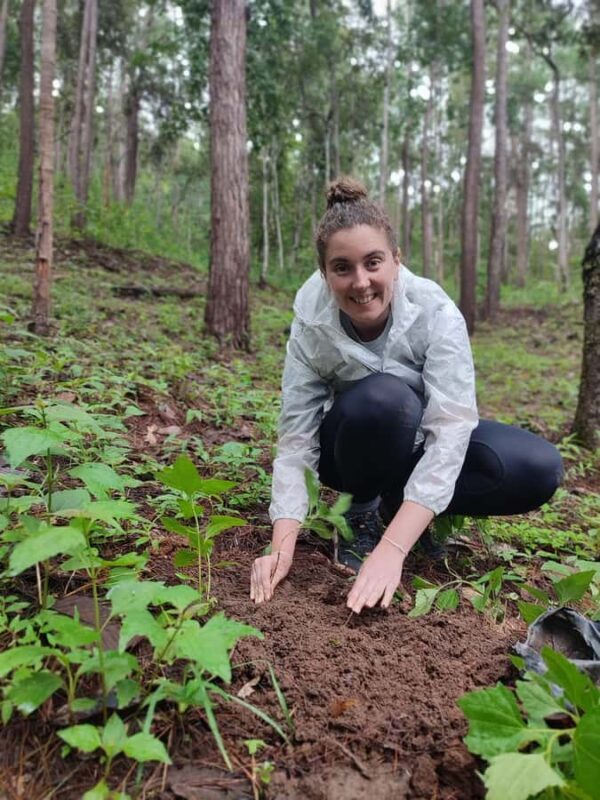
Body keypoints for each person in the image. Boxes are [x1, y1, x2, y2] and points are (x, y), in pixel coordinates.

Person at [250, 177, 563, 615]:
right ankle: (358, 514)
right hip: (353, 448)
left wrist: (393, 549)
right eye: (343, 268)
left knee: (538, 468)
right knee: (386, 400)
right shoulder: (311, 319)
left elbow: (451, 427)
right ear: (325, 275)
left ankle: (400, 512)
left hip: (418, 444)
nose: (361, 282)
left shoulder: (434, 310)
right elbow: (298, 437)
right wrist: (281, 546)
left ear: (396, 261)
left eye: (373, 262)